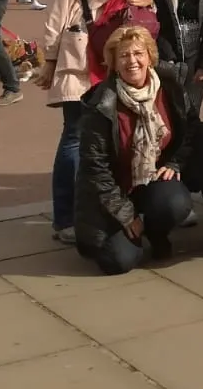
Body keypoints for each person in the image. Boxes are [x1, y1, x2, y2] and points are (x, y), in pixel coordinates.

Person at [38, 0, 170, 246]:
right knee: (76, 134)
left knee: (111, 136)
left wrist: (150, 0)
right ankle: (65, 217)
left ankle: (106, 209)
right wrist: (49, 56)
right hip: (83, 51)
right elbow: (61, 0)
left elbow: (140, 12)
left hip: (117, 54)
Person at [73, 24, 193, 274]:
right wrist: (126, 215)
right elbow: (97, 171)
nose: (132, 61)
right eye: (124, 55)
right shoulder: (101, 103)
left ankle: (156, 231)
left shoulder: (169, 85)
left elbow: (192, 130)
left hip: (152, 180)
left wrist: (175, 163)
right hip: (115, 192)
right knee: (118, 262)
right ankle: (131, 232)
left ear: (150, 56)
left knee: (175, 204)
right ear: (114, 63)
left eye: (138, 53)